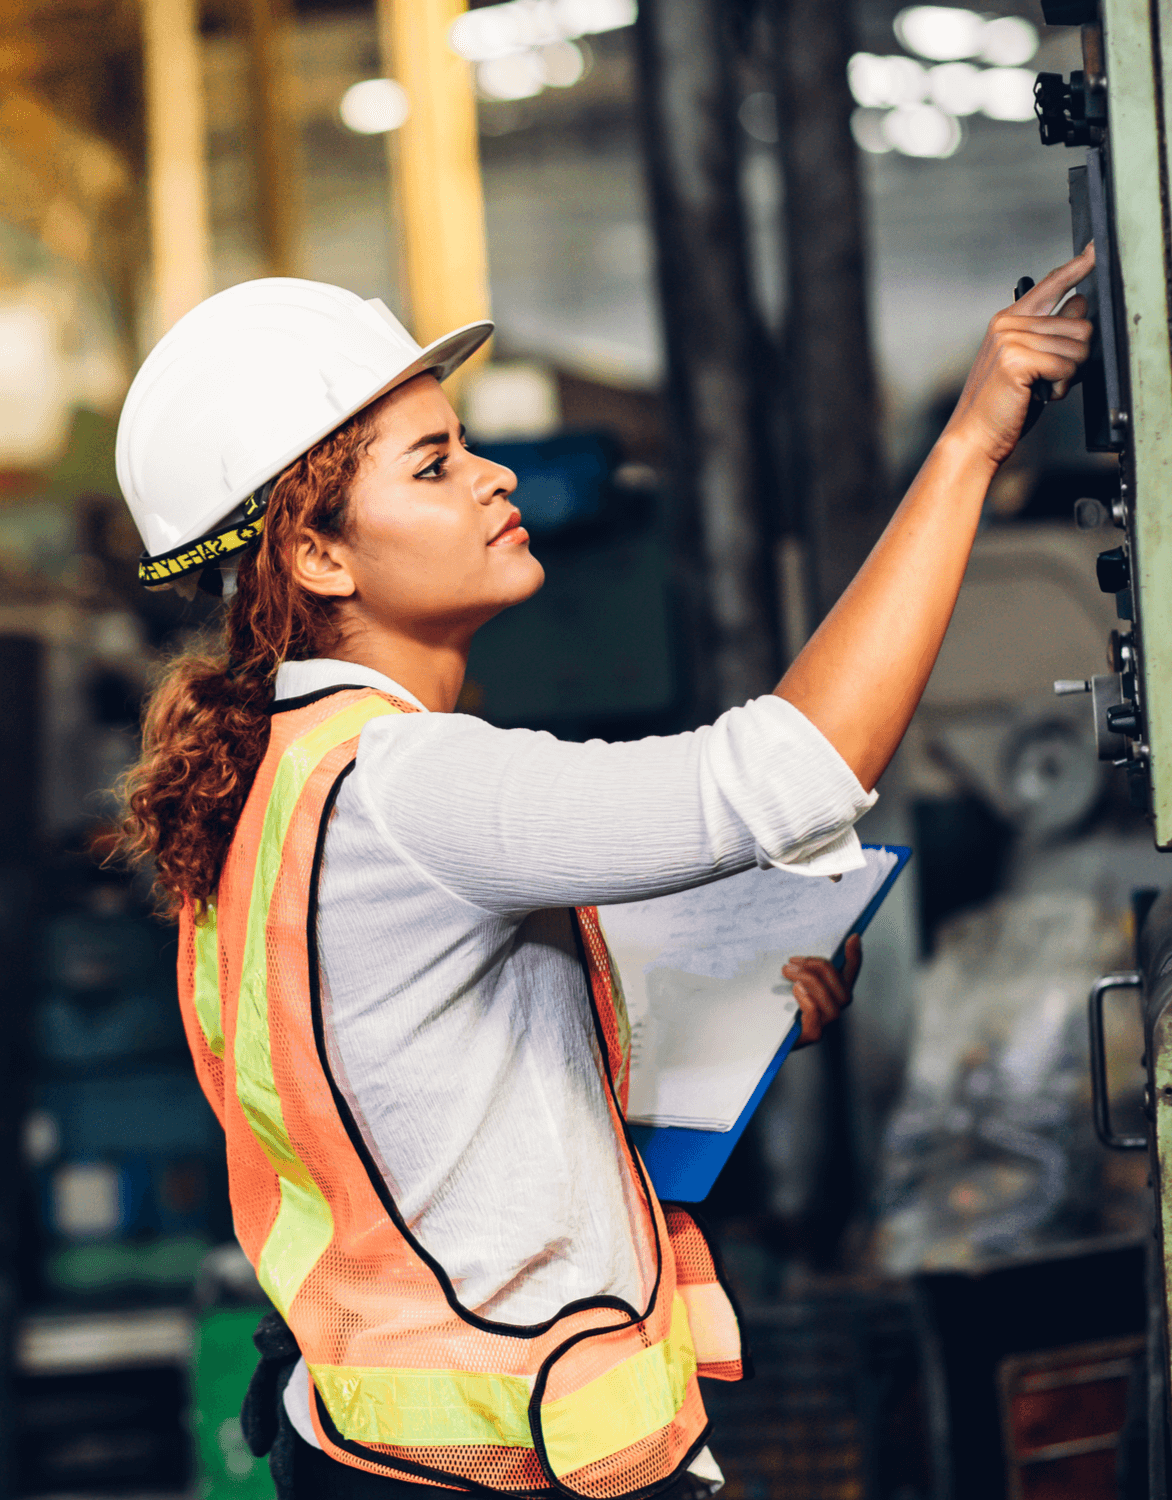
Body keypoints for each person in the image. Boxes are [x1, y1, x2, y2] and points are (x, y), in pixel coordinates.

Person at [111, 251, 1093, 1500]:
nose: (494, 476)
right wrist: (969, 447)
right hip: (495, 1461)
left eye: (463, 446)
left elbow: (428, 1077)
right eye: (433, 465)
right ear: (315, 556)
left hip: (376, 1442)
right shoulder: (403, 781)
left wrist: (727, 1021)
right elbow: (785, 773)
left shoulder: (289, 774)